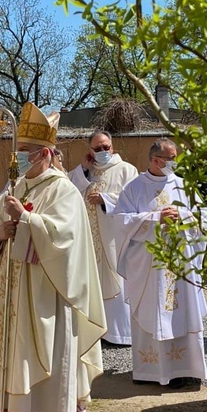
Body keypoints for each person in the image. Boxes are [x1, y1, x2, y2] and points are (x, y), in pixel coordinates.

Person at [0, 102, 106, 412]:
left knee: (46, 360)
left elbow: (65, 242)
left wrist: (28, 222)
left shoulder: (63, 191)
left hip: (47, 297)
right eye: (17, 152)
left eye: (25, 153)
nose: (18, 159)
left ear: (46, 154)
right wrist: (1, 235)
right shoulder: (16, 186)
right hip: (13, 297)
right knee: (13, 359)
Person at [113, 137, 207, 389]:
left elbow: (205, 217)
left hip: (181, 264)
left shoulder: (183, 186)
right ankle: (153, 371)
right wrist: (155, 218)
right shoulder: (134, 188)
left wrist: (184, 215)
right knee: (154, 311)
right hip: (150, 266)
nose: (176, 162)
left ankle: (187, 369)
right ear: (156, 160)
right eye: (172, 158)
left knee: (183, 310)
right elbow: (120, 221)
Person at [69, 131, 138, 345]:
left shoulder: (126, 170)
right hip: (88, 240)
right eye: (97, 149)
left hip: (113, 240)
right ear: (90, 151)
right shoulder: (85, 172)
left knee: (115, 282)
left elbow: (134, 203)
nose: (103, 152)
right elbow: (69, 191)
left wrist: (105, 199)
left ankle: (118, 334)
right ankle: (92, 331)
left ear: (113, 147)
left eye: (106, 147)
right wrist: (83, 168)